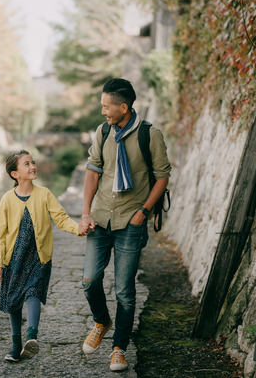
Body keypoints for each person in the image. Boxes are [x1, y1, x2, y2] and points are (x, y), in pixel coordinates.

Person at [78, 78, 171, 372]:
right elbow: (93, 171)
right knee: (89, 280)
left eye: (107, 106)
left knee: (124, 292)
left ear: (124, 107)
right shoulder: (102, 131)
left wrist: (143, 211)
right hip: (101, 218)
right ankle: (102, 321)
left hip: (131, 220)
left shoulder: (149, 135)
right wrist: (85, 212)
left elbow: (162, 176)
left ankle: (119, 348)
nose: (103, 111)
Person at [0, 150, 88, 362]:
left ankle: (31, 337)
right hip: (14, 257)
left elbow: (61, 219)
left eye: (33, 162)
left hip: (39, 256)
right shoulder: (7, 199)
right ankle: (16, 346)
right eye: (26, 164)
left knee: (33, 292)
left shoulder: (44, 194)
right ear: (14, 173)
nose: (32, 166)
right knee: (14, 300)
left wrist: (78, 229)